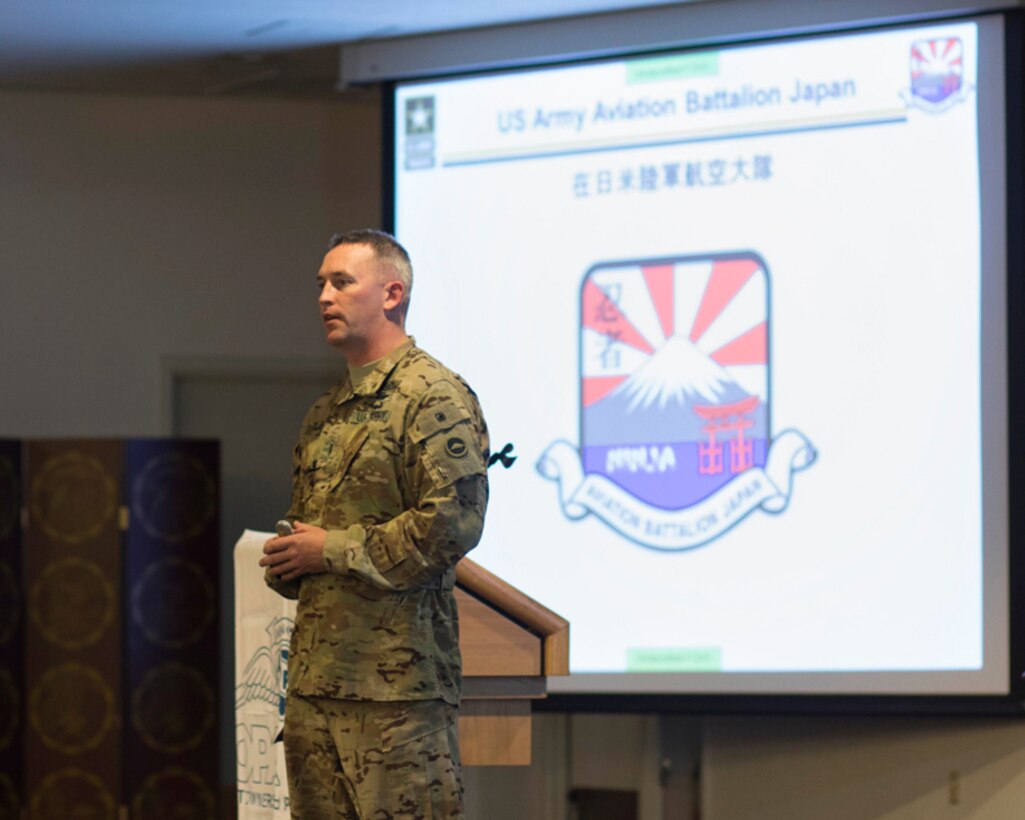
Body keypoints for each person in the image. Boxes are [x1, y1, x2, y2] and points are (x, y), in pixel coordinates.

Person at [260, 228, 489, 820]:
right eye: (321, 284)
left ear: (392, 294)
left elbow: (453, 524)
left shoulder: (431, 396)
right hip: (315, 688)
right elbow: (313, 530)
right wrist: (291, 561)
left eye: (342, 282)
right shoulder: (326, 412)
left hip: (396, 699)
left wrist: (330, 551)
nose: (324, 297)